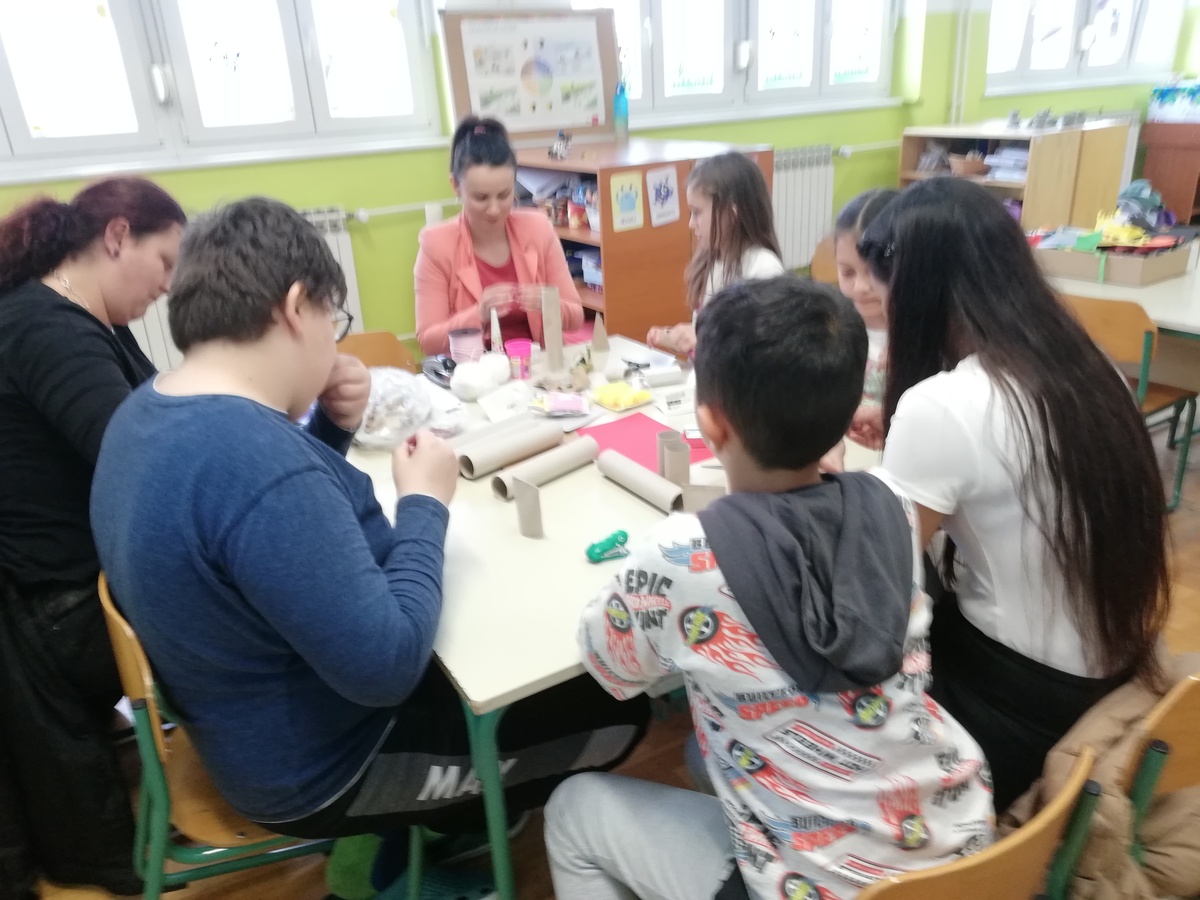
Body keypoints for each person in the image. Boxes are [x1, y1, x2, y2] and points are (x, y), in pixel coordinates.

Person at [91, 198, 648, 860]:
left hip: (244, 722)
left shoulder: (145, 410)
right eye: (333, 321)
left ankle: (455, 821)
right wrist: (425, 503)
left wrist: (330, 429)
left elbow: (268, 541)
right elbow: (387, 667)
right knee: (620, 710)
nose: (334, 342)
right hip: (323, 769)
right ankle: (458, 840)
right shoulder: (258, 465)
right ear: (295, 308)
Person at [545, 275, 994, 900]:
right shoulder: (894, 506)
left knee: (571, 810)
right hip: (963, 851)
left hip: (818, 885)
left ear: (711, 423)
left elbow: (610, 666)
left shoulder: (677, 556)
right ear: (846, 416)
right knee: (706, 756)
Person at [854, 177, 1171, 811]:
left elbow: (881, 588)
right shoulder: (1089, 367)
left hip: (1020, 712)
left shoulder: (942, 405)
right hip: (1114, 669)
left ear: (916, 290)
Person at [0, 177, 187, 896]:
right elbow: (141, 462)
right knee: (260, 600)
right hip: (66, 610)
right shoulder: (47, 329)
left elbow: (161, 413)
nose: (166, 285)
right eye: (163, 262)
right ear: (116, 237)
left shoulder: (86, 319)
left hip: (72, 589)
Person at [414, 116, 584, 357]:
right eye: (481, 197)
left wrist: (549, 304)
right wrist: (479, 314)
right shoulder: (436, 245)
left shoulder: (538, 229)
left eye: (504, 195)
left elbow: (576, 316)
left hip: (537, 366)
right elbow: (428, 341)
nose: (494, 209)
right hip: (475, 371)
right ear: (455, 186)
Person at [646, 152, 784, 356]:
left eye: (697, 212)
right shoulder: (710, 262)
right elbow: (708, 333)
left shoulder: (763, 269)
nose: (691, 223)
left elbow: (762, 352)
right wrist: (679, 338)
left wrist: (702, 340)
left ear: (731, 214)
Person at [820, 189, 897, 474]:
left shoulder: (920, 338)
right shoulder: (832, 325)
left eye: (874, 271)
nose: (861, 287)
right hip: (843, 463)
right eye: (848, 272)